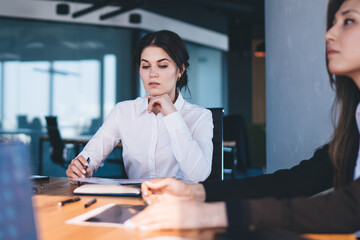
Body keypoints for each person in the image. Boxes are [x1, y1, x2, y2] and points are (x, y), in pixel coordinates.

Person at [126, 0, 360, 233]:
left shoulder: (198, 116)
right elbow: (295, 181)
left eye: (349, 21)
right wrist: (196, 192)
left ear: (181, 70)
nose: (328, 34)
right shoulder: (355, 124)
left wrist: (213, 213)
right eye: (333, 22)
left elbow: (347, 208)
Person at [66, 30, 213, 183]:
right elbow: (90, 157)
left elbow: (198, 175)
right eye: (145, 66)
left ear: (180, 70)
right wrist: (80, 168)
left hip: (179, 203)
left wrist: (172, 115)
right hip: (137, 201)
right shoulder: (123, 111)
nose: (152, 74)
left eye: (162, 65)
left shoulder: (201, 116)